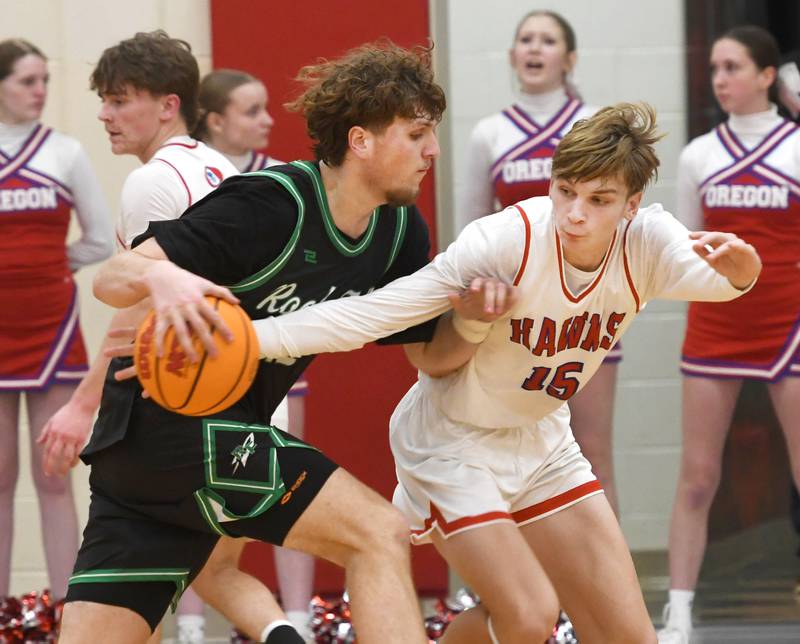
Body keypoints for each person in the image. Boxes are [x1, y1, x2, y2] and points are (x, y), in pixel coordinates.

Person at [202, 102, 761, 643]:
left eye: (599, 200)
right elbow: (375, 313)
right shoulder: (504, 240)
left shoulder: (647, 243)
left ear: (632, 205)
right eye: (565, 191)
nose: (575, 214)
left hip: (543, 442)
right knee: (527, 615)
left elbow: (721, 279)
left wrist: (746, 268)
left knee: (628, 638)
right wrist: (250, 339)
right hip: (453, 443)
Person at [61, 40, 446, 644]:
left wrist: (481, 312)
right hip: (176, 429)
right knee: (379, 533)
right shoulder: (270, 203)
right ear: (361, 139)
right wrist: (160, 276)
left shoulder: (398, 232)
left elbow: (431, 353)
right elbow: (112, 278)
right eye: (417, 134)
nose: (433, 150)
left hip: (152, 459)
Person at [35, 32, 301, 644]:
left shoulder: (151, 182)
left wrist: (80, 406)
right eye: (103, 99)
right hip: (253, 392)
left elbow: (135, 317)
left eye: (120, 99)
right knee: (213, 570)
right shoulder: (218, 167)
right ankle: (285, 632)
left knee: (127, 572)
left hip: (192, 405)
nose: (105, 114)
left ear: (167, 104)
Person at [657, 26, 800, 644]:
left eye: (734, 67)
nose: (720, 79)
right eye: (715, 68)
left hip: (789, 323)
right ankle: (680, 611)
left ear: (768, 75)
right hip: (717, 322)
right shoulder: (697, 155)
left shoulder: (797, 146)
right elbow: (686, 248)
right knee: (696, 477)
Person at [458, 9, 622, 513]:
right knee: (508, 454)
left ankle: (601, 589)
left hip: (587, 309)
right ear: (512, 56)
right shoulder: (489, 133)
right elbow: (471, 232)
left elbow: (622, 222)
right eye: (525, 39)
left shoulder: (600, 127)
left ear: (569, 58)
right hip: (515, 317)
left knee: (592, 449)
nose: (534, 48)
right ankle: (523, 592)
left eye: (547, 40)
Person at [192, 68, 315, 639]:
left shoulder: (286, 184)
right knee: (203, 499)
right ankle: (191, 624)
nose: (268, 120)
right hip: (208, 366)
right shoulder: (188, 179)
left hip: (279, 354)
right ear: (214, 120)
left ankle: (301, 617)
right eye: (252, 110)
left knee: (293, 486)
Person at [0, 38, 113, 600]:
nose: (40, 91)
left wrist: (46, 265)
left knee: (54, 474)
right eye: (27, 81)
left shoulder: (64, 152)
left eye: (45, 79)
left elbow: (99, 237)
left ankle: (67, 615)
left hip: (52, 326)